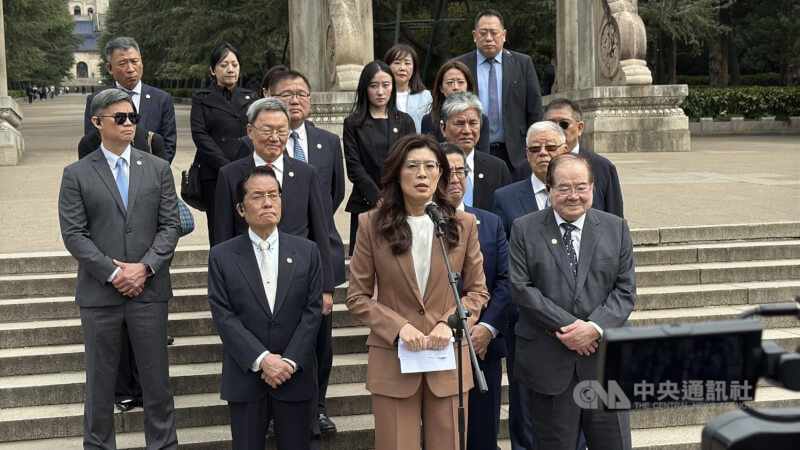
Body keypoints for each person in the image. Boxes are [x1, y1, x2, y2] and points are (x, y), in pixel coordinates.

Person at [346, 133, 489, 450]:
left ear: (441, 173)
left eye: (430, 166)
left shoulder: (463, 224)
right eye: (412, 166)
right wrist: (399, 328)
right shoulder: (371, 224)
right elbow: (357, 297)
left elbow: (477, 292)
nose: (422, 174)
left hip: (446, 357)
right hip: (394, 360)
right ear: (397, 172)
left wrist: (450, 323)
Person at [58, 88, 180, 449]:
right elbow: (74, 234)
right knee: (99, 385)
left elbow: (170, 226)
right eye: (120, 118)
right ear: (97, 122)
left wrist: (145, 267)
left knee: (157, 383)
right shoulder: (76, 174)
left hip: (150, 291)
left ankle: (163, 445)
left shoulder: (157, 168)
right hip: (100, 295)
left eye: (133, 117)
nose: (129, 124)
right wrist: (114, 273)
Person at [508, 153, 635, 449]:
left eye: (581, 187)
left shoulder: (616, 228)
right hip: (550, 362)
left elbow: (625, 290)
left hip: (605, 363)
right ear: (549, 189)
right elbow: (522, 289)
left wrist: (594, 328)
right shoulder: (524, 229)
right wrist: (573, 329)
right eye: (564, 188)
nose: (573, 195)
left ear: (592, 187)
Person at [207, 166, 323, 450]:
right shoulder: (222, 256)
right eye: (258, 196)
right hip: (245, 376)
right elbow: (224, 315)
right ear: (241, 208)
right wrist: (262, 359)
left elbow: (312, 312)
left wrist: (289, 362)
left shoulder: (307, 251)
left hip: (294, 375)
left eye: (274, 195)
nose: (268, 203)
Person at [213, 97, 336, 328]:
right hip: (249, 281)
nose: (274, 137)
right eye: (267, 130)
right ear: (250, 131)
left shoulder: (306, 173)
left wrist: (326, 287)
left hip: (299, 281)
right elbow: (221, 235)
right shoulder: (230, 175)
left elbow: (321, 232)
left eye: (281, 131)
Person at [441, 142, 510, 450]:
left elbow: (505, 281)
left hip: (482, 348)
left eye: (461, 171)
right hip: (436, 346)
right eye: (447, 172)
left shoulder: (490, 222)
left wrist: (486, 328)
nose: (456, 178)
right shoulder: (415, 225)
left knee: (482, 437)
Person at [455, 9, 543, 171]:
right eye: (483, 33)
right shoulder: (460, 66)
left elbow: (534, 110)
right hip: (472, 151)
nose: (488, 38)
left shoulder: (523, 64)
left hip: (515, 153)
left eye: (494, 33)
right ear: (474, 35)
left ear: (504, 35)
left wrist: (534, 147)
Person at [343, 61, 415, 254]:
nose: (380, 91)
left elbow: (411, 162)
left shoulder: (404, 121)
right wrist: (378, 198)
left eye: (386, 85)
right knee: (364, 262)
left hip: (400, 203)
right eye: (374, 86)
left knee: (400, 261)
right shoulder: (353, 124)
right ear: (365, 88)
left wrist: (392, 198)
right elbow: (354, 167)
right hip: (365, 203)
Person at [190, 41, 256, 244]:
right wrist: (226, 167)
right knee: (219, 228)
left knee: (249, 225)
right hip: (215, 173)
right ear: (213, 70)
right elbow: (200, 135)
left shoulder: (251, 97)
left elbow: (257, 131)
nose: (230, 69)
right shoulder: (201, 98)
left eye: (234, 65)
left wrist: (241, 166)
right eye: (223, 64)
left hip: (247, 171)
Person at [83, 37, 178, 162]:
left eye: (134, 61)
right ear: (110, 68)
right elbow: (92, 143)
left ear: (141, 62)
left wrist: (155, 171)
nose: (131, 69)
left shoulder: (162, 99)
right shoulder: (96, 100)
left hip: (151, 170)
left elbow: (169, 144)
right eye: (123, 64)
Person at [543, 98, 624, 217]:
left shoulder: (603, 167)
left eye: (564, 124)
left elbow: (615, 219)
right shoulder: (526, 168)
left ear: (580, 128)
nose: (557, 130)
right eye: (551, 125)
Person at [440, 92, 511, 211]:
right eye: (459, 123)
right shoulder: (431, 166)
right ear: (443, 128)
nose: (467, 130)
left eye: (473, 123)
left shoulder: (498, 169)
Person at [420, 60, 490, 155]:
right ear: (441, 88)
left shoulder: (482, 119)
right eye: (450, 83)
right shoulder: (429, 120)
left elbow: (483, 157)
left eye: (461, 82)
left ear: (468, 87)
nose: (456, 87)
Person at [384, 43, 432, 133]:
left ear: (414, 68)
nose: (402, 68)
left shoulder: (425, 96)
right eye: (397, 63)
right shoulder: (381, 95)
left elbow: (429, 128)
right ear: (387, 66)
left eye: (407, 63)